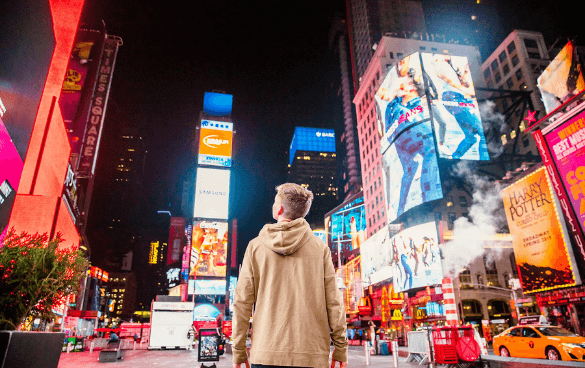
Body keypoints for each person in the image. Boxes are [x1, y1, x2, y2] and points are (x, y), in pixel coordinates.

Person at [232, 183, 348, 368]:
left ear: (278, 209)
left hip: (265, 355)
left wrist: (239, 351)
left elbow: (242, 303)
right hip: (312, 356)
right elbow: (334, 303)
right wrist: (341, 349)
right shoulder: (320, 249)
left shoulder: (255, 247)